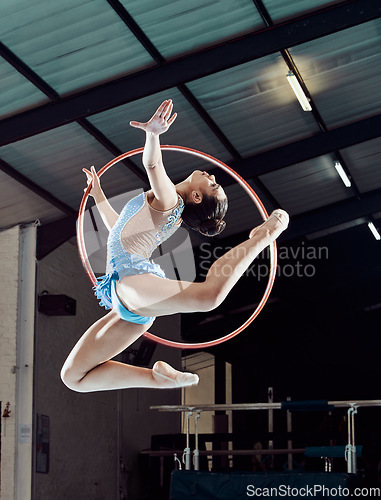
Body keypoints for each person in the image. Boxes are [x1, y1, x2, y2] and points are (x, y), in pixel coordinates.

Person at [61, 99, 289, 393]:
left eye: (213, 186)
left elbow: (152, 164)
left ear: (195, 197)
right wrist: (98, 195)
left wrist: (153, 135)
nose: (213, 176)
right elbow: (117, 229)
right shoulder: (167, 213)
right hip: (131, 299)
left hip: (132, 283)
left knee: (209, 297)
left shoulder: (171, 202)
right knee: (73, 377)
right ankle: (157, 379)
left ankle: (262, 235)